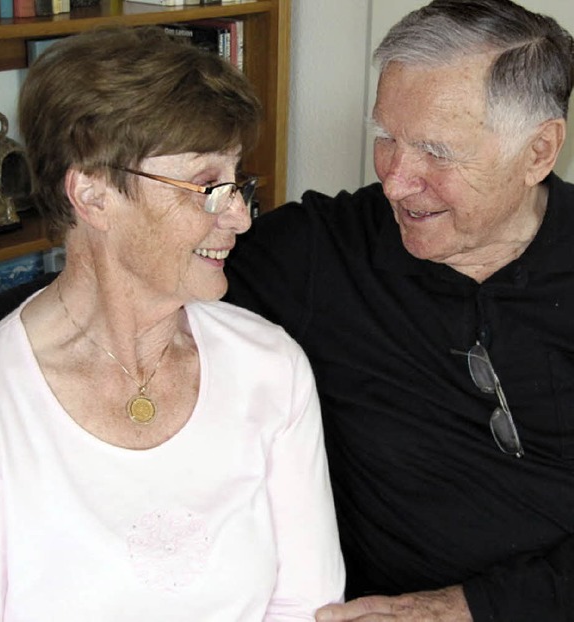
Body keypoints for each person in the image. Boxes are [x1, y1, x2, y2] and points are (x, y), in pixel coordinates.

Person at [0, 26, 345, 621]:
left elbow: (308, 606)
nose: (241, 217)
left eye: (238, 184)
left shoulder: (271, 368)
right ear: (94, 195)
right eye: (206, 186)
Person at [224, 1, 574, 620]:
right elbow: (120, 288)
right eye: (387, 137)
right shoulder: (322, 254)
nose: (394, 181)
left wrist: (464, 609)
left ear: (539, 151)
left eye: (437, 151)